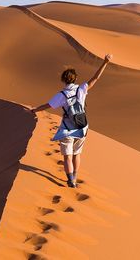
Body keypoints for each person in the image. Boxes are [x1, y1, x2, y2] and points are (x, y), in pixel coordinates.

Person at [31, 54, 113, 188]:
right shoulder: (82, 89)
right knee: (77, 154)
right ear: (75, 79)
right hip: (83, 126)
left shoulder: (62, 95)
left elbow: (49, 105)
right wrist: (105, 62)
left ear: (63, 80)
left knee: (67, 156)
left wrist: (34, 110)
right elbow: (95, 78)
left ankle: (71, 181)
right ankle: (74, 175)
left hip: (67, 129)